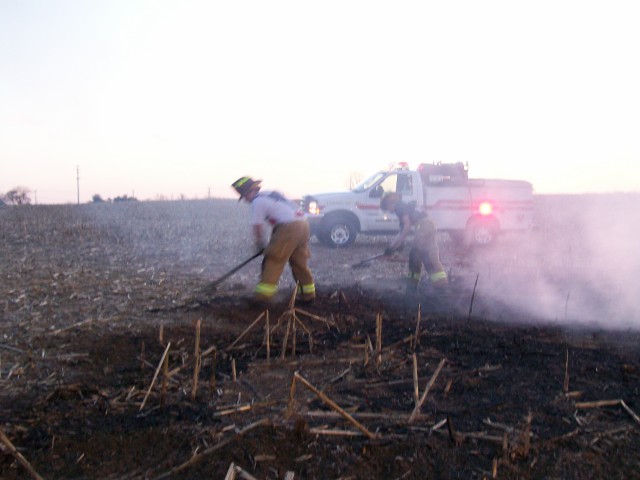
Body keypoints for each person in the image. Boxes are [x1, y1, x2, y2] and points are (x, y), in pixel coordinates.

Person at [231, 176, 316, 304]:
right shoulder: (271, 194)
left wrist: (260, 244)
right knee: (298, 261)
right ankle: (308, 294)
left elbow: (257, 226)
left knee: (274, 259)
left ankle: (262, 297)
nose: (245, 200)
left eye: (244, 196)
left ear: (250, 192)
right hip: (304, 225)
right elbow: (281, 217)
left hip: (290, 227)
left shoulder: (257, 202)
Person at [380, 192, 448, 294]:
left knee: (423, 255)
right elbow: (400, 233)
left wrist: (398, 244)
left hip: (423, 226)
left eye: (387, 208)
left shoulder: (399, 207)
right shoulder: (404, 206)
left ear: (390, 203)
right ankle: (418, 287)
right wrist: (392, 247)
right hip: (429, 225)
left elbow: (406, 226)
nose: (389, 211)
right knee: (418, 255)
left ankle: (437, 287)